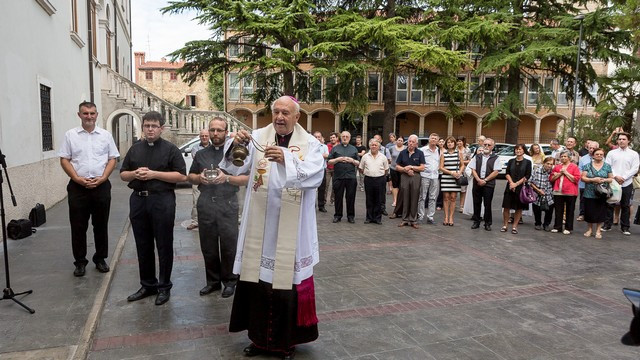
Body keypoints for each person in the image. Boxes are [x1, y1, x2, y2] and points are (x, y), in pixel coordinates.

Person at [223, 96, 324, 359]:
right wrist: (236, 144)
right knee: (257, 282)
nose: (279, 117)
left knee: (285, 285)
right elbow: (234, 166)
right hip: (261, 223)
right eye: (276, 112)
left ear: (297, 117)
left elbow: (315, 176)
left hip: (293, 226)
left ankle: (284, 342)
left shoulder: (311, 144)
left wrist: (286, 160)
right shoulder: (258, 137)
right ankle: (259, 341)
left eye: (285, 113)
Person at [120, 111, 187, 305]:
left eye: (154, 126)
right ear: (143, 127)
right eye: (147, 126)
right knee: (143, 244)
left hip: (162, 200)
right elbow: (123, 174)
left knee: (164, 244)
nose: (150, 129)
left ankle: (164, 286)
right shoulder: (135, 149)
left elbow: (181, 176)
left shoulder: (171, 149)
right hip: (139, 201)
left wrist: (154, 174)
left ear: (161, 128)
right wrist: (135, 173)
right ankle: (148, 285)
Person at [188, 118, 248, 298]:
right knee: (208, 246)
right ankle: (212, 282)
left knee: (229, 245)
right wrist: (199, 178)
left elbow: (246, 178)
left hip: (227, 202)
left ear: (226, 132)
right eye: (212, 130)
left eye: (219, 130)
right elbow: (189, 176)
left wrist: (226, 178)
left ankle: (230, 281)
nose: (215, 134)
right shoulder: (200, 154)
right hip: (206, 202)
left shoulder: (236, 153)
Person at [58, 101, 119, 277]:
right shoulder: (71, 135)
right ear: (79, 115)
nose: (89, 117)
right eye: (85, 113)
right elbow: (64, 159)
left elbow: (112, 159)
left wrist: (103, 178)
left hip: (101, 186)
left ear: (97, 115)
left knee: (101, 225)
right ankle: (80, 262)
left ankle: (100, 258)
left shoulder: (105, 136)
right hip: (78, 187)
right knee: (78, 226)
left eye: (92, 113)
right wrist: (77, 178)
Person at [603, 132, 639, 235]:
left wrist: (624, 177)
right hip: (613, 182)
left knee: (625, 205)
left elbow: (635, 168)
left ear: (628, 141)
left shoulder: (634, 154)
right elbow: (608, 166)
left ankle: (625, 227)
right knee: (610, 203)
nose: (621, 141)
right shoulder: (612, 153)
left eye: (624, 139)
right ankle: (607, 225)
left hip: (627, 182)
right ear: (617, 141)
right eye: (619, 139)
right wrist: (615, 176)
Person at [469, 138, 502, 231]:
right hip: (477, 183)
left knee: (487, 204)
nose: (486, 146)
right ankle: (476, 221)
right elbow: (472, 169)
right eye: (485, 144)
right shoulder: (477, 156)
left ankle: (487, 223)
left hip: (489, 184)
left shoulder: (496, 158)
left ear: (493, 147)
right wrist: (478, 179)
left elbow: (496, 172)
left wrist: (485, 180)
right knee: (476, 203)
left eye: (489, 145)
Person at [581, 148, 613, 239]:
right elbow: (583, 178)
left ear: (603, 156)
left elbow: (611, 178)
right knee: (589, 211)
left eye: (601, 154)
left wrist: (603, 180)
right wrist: (592, 180)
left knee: (601, 211)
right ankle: (590, 229)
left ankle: (598, 230)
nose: (599, 156)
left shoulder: (607, 166)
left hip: (602, 192)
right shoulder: (587, 165)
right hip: (589, 192)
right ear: (593, 155)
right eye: (597, 154)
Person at [328, 131, 359, 223]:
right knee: (338, 197)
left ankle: (350, 216)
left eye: (347, 136)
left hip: (351, 177)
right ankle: (338, 215)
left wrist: (352, 160)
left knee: (350, 197)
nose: (345, 138)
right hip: (338, 176)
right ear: (340, 138)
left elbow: (358, 162)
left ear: (349, 138)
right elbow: (329, 161)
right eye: (343, 136)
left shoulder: (354, 149)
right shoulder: (335, 148)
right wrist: (338, 159)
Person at [395, 135, 425, 229]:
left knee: (414, 197)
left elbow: (422, 167)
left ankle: (413, 219)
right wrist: (405, 169)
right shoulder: (403, 152)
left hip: (415, 176)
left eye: (413, 142)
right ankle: (404, 219)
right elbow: (397, 166)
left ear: (416, 144)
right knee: (405, 196)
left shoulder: (420, 153)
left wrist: (412, 167)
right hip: (405, 176)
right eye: (409, 141)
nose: (410, 143)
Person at [500, 144, 532, 234]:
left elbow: (527, 175)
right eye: (516, 149)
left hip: (521, 187)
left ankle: (514, 226)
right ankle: (505, 225)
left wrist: (516, 184)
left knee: (518, 208)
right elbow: (507, 173)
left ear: (523, 151)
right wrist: (511, 183)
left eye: (520, 149)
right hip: (510, 186)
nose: (518, 151)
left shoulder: (527, 162)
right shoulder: (510, 161)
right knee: (506, 206)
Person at [550, 150, 581, 235]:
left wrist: (566, 173)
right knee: (558, 210)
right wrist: (559, 173)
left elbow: (576, 179)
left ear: (569, 158)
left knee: (570, 210)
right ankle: (557, 226)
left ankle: (568, 227)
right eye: (562, 156)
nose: (563, 158)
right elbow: (552, 179)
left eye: (565, 156)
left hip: (570, 192)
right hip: (558, 191)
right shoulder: (557, 167)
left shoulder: (574, 167)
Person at [359, 138, 389, 224]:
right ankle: (369, 217)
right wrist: (368, 172)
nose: (374, 146)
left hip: (380, 179)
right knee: (369, 199)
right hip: (368, 179)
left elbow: (386, 170)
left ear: (379, 147)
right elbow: (361, 168)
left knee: (379, 199)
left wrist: (380, 174)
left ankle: (377, 218)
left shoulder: (383, 157)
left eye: (376, 145)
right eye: (372, 145)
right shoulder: (365, 156)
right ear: (369, 146)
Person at [187, 129, 212, 230]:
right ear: (200, 136)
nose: (204, 138)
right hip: (198, 176)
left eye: (206, 136)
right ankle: (195, 221)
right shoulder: (195, 148)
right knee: (196, 200)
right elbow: (199, 161)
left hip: (212, 178)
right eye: (202, 136)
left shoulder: (213, 147)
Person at [439, 136, 465, 226]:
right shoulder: (443, 154)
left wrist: (459, 173)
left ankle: (451, 217)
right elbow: (441, 167)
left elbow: (462, 165)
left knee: (453, 197)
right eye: (448, 142)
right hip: (446, 178)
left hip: (456, 178)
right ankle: (446, 217)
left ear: (454, 144)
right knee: (446, 197)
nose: (450, 143)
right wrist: (451, 173)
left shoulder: (459, 153)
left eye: (451, 142)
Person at [418, 133, 440, 225]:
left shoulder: (439, 151)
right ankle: (420, 216)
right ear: (429, 139)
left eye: (435, 138)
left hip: (435, 177)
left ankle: (430, 217)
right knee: (422, 197)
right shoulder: (422, 150)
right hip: (424, 176)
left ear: (438, 141)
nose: (434, 140)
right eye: (432, 138)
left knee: (433, 198)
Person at [530, 157, 555, 231]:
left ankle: (546, 224)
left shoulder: (553, 172)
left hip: (549, 194)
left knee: (549, 211)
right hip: (537, 193)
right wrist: (538, 190)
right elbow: (530, 182)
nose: (549, 166)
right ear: (544, 163)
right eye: (548, 163)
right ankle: (538, 223)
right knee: (537, 209)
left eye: (551, 164)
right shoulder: (536, 170)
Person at [577, 141, 598, 221]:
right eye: (590, 148)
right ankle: (582, 214)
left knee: (595, 199)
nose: (591, 150)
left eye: (593, 148)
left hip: (596, 183)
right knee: (583, 199)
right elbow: (580, 170)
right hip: (584, 182)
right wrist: (586, 177)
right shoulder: (583, 158)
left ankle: (593, 214)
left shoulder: (601, 157)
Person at [313, 131, 329, 212]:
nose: (317, 138)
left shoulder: (324, 146)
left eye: (318, 137)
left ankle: (321, 206)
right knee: (312, 189)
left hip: (322, 170)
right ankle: (312, 205)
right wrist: (321, 156)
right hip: (312, 171)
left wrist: (316, 156)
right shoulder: (310, 146)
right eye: (315, 137)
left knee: (322, 189)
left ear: (321, 137)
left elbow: (327, 155)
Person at [388, 135, 405, 208]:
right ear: (396, 141)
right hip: (393, 169)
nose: (400, 141)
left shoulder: (405, 149)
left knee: (401, 185)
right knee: (395, 185)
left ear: (403, 142)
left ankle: (401, 201)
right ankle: (395, 200)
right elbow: (389, 156)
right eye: (398, 140)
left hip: (402, 169)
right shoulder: (392, 148)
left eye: (401, 140)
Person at [457, 136, 471, 212]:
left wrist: (462, 162)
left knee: (463, 190)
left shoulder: (467, 150)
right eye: (458, 141)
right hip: (454, 170)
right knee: (454, 189)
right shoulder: (454, 149)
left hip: (464, 171)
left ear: (463, 142)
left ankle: (462, 206)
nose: (459, 142)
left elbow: (470, 160)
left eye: (460, 141)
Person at [325, 132, 338, 205]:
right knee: (326, 185)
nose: (332, 139)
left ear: (337, 138)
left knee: (335, 186)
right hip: (328, 168)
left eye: (333, 137)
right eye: (331, 138)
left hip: (336, 168)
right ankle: (324, 201)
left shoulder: (340, 146)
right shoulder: (327, 146)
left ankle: (332, 200)